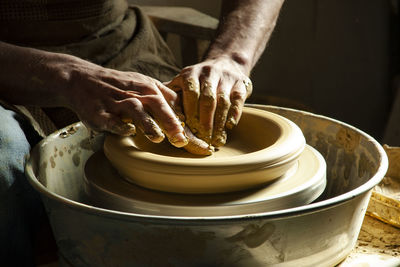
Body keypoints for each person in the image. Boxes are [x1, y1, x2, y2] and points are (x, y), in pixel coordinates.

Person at [0, 0, 284, 265]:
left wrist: (232, 58)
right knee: (5, 155)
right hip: (11, 67)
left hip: (115, 46)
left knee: (196, 113)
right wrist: (67, 76)